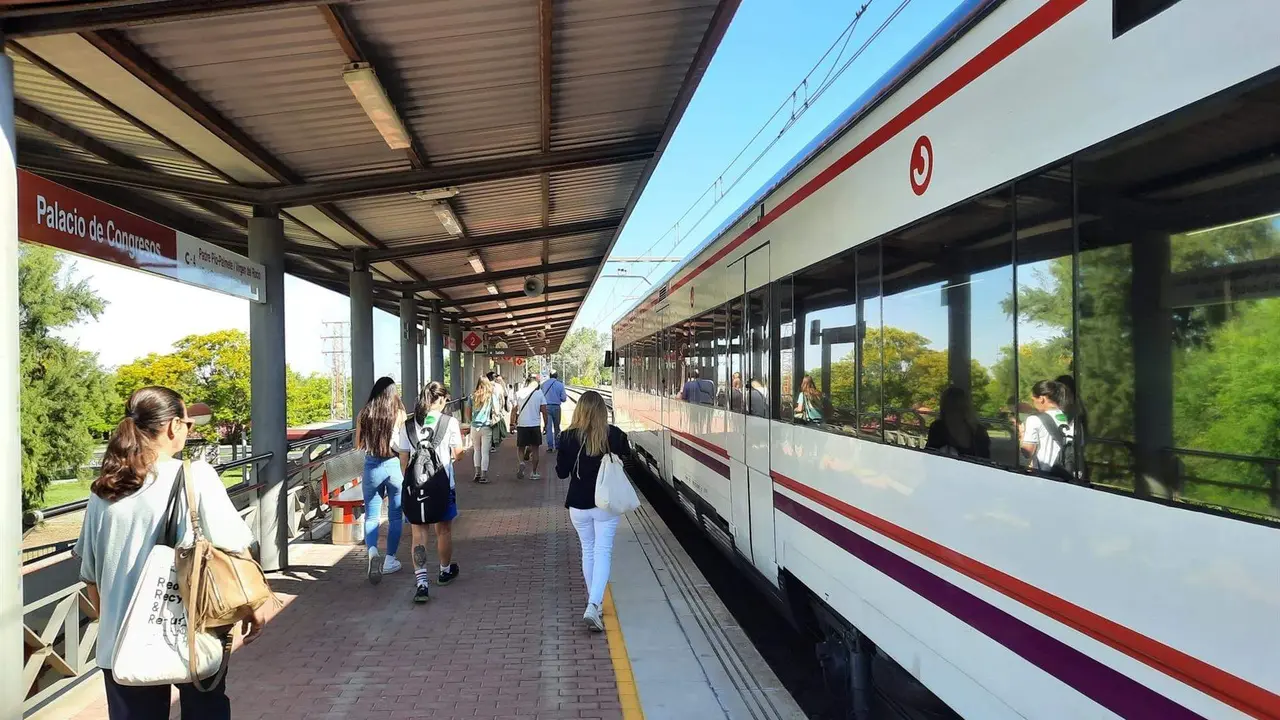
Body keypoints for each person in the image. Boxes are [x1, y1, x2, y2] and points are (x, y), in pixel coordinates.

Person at [75, 386, 265, 719]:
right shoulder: (196, 476)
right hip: (192, 629)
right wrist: (253, 606)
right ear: (173, 426)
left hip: (122, 642)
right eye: (189, 424)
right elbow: (236, 549)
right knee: (205, 710)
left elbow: (91, 579)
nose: (188, 431)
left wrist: (118, 621)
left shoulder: (103, 489)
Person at [556, 390, 631, 632]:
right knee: (603, 552)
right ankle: (593, 604)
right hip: (605, 505)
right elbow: (627, 458)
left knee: (588, 551)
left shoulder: (567, 437)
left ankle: (595, 605)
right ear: (602, 412)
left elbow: (561, 472)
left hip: (578, 505)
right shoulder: (615, 435)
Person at [397, 382, 467, 603]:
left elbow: (403, 460)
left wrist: (412, 480)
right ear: (441, 399)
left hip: (415, 486)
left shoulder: (408, 425)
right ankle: (445, 571)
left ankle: (422, 583)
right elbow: (459, 454)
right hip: (443, 484)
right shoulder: (449, 422)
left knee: (418, 534)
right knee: (443, 531)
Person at [356, 376, 405, 585]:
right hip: (394, 466)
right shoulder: (400, 413)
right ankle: (390, 560)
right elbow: (403, 444)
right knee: (395, 516)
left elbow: (358, 444)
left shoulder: (364, 413)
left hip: (372, 465)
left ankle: (372, 551)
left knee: (371, 516)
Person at [1021, 380, 1076, 478]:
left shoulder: (1034, 420)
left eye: (1033, 400)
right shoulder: (1072, 419)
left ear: (1041, 399)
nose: (1033, 404)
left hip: (1045, 475)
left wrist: (1022, 434)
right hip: (1068, 475)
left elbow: (1027, 452)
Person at [926, 387, 991, 459]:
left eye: (958, 408)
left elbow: (985, 462)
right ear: (944, 409)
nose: (954, 413)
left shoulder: (979, 432)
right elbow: (929, 456)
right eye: (950, 407)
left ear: (965, 409)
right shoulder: (937, 428)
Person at [511, 374, 548, 480]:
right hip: (535, 425)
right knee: (535, 449)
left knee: (521, 447)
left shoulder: (518, 393)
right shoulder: (539, 393)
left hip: (522, 424)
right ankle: (534, 472)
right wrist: (546, 425)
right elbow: (544, 411)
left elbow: (514, 410)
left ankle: (522, 462)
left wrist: (512, 423)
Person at [469, 377, 498, 483]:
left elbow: (467, 412)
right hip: (486, 426)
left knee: (476, 450)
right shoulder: (491, 396)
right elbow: (496, 410)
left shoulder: (472, 396)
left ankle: (476, 473)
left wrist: (471, 421)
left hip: (474, 426)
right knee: (485, 452)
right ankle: (483, 475)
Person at [542, 369, 567, 452]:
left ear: (550, 376)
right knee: (557, 427)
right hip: (556, 408)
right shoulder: (560, 385)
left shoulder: (544, 384)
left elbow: (541, 397)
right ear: (557, 376)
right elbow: (563, 398)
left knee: (548, 427)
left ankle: (550, 447)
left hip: (546, 407)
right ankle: (557, 445)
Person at [488, 371, 508, 453]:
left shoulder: (485, 386)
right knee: (495, 425)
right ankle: (494, 442)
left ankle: (489, 443)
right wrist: (501, 408)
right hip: (496, 409)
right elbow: (502, 398)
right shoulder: (499, 386)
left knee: (488, 426)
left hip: (487, 409)